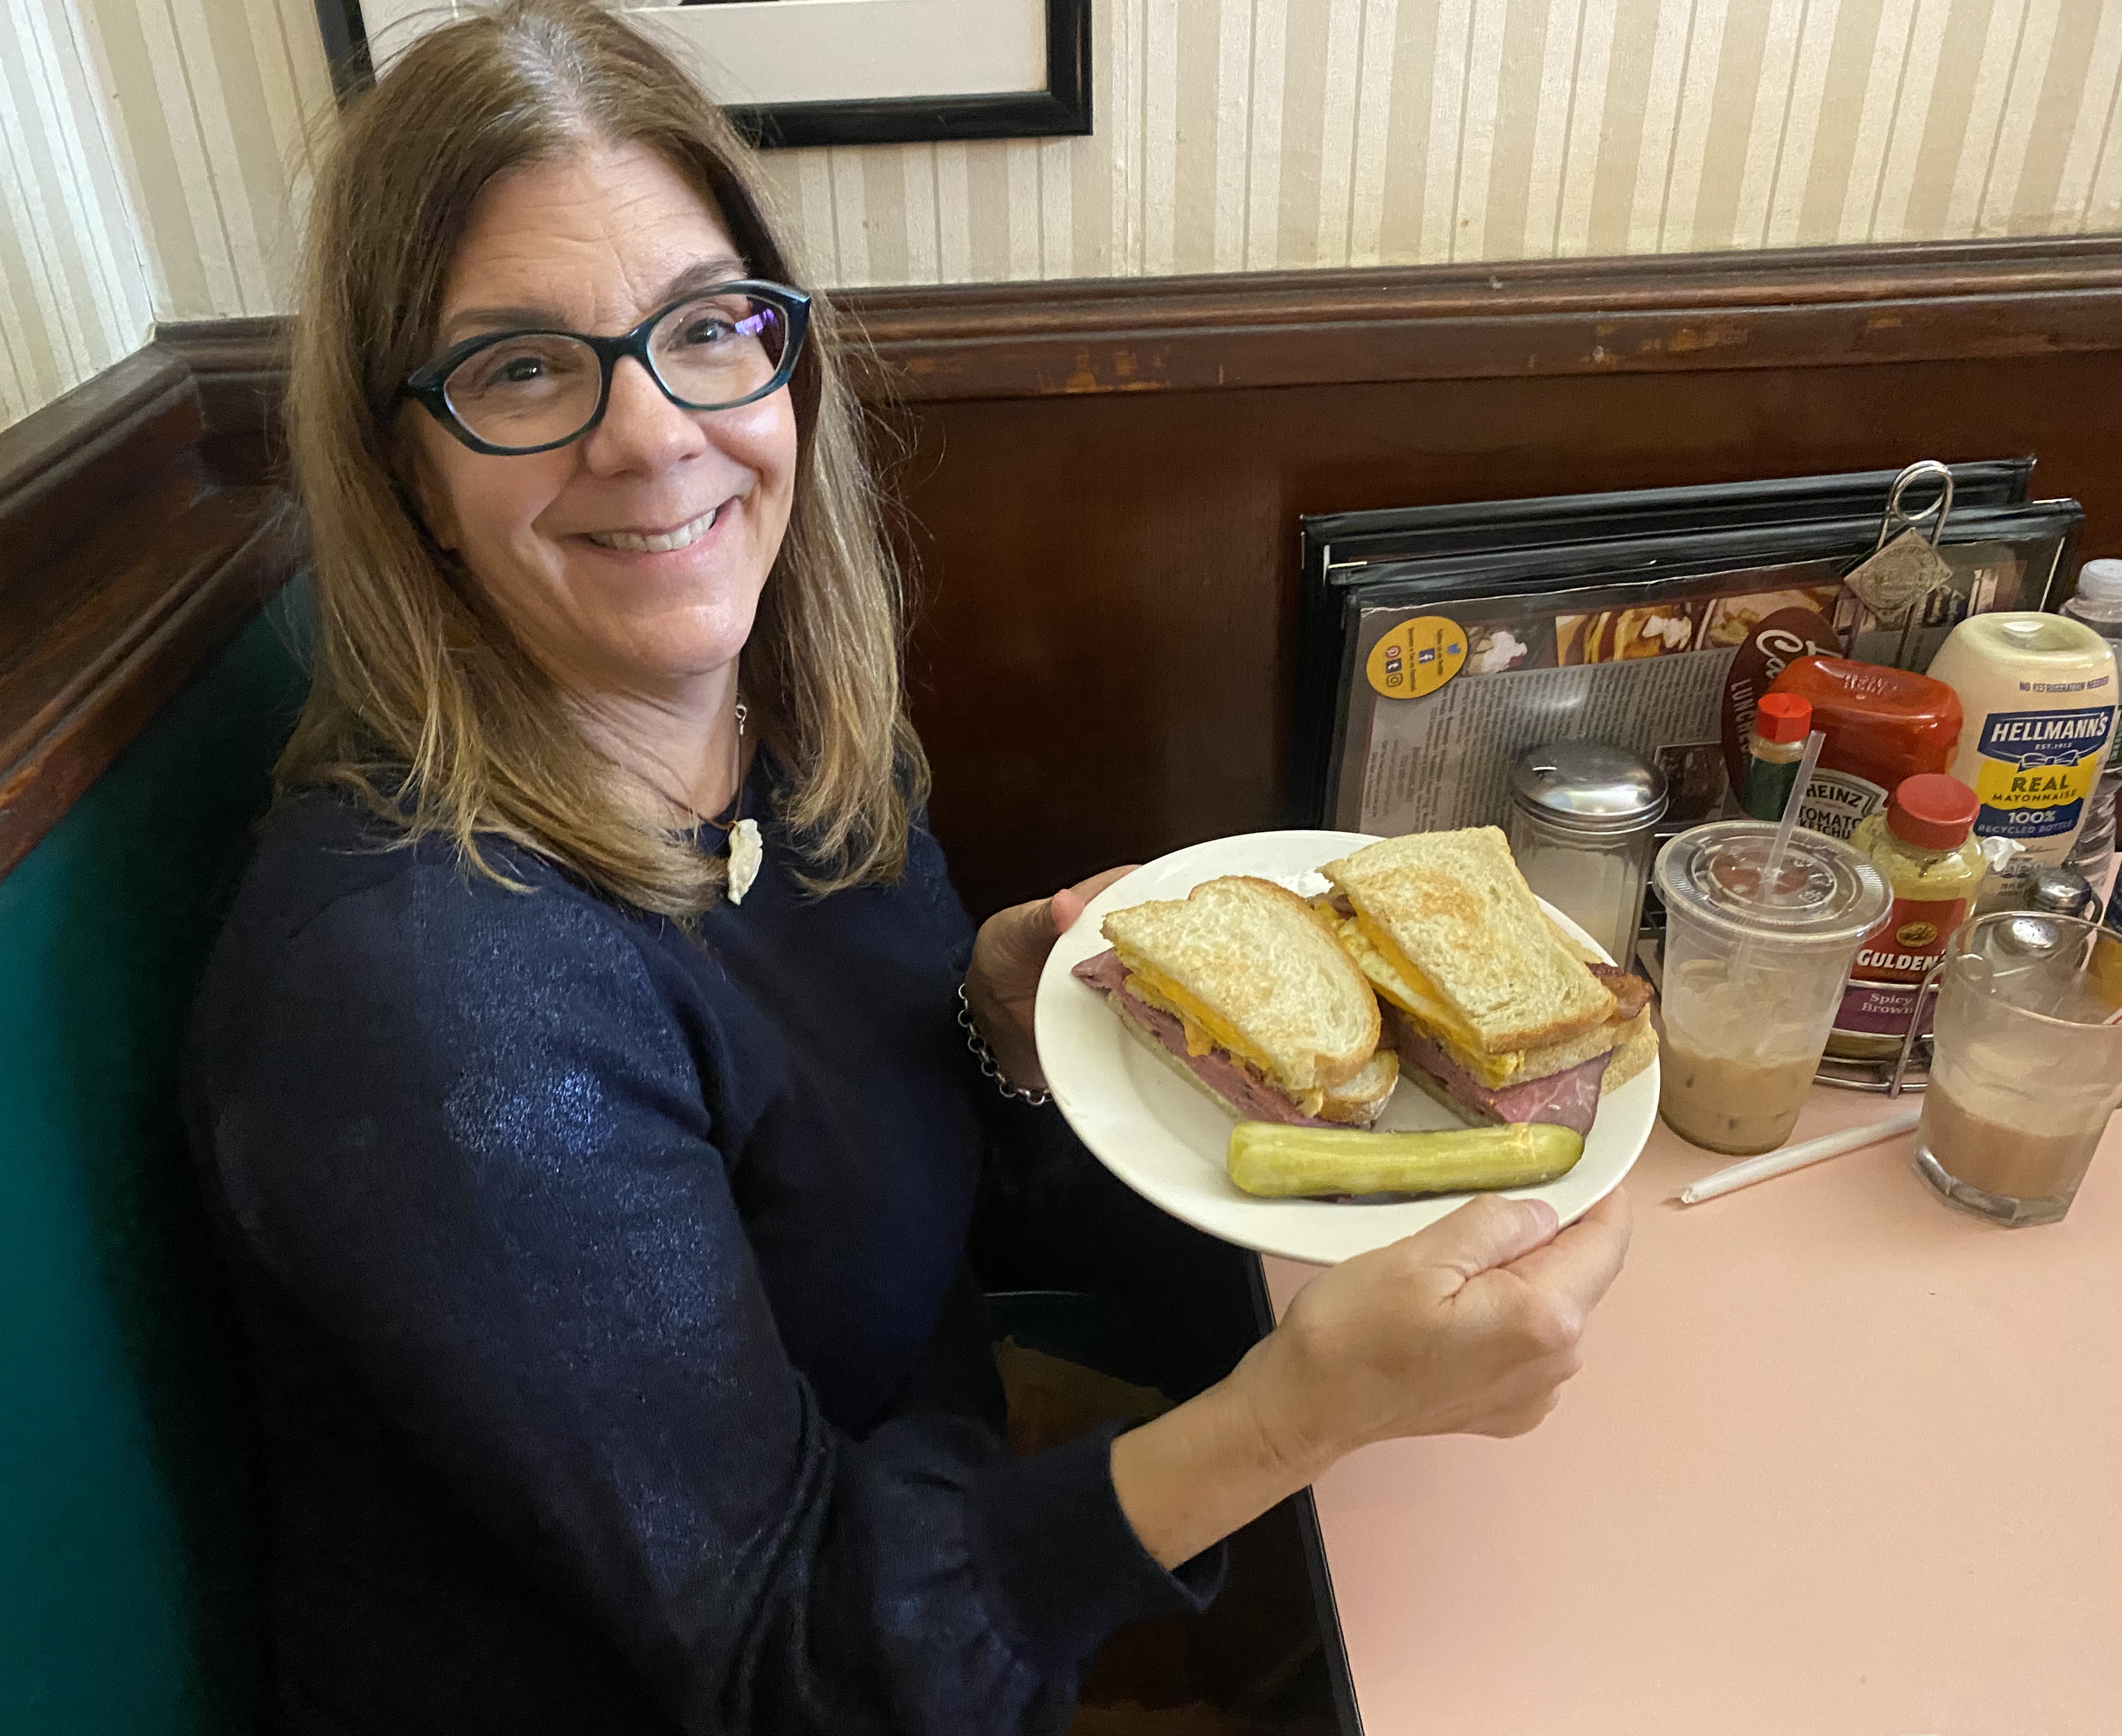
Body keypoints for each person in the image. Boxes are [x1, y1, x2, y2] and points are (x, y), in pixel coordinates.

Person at [181, 4, 1634, 1731]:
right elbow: (781, 1657)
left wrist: (997, 1036)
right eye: (519, 369)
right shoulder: (429, 990)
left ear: (783, 361)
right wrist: (1291, 1421)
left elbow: (856, 1202)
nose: (650, 434)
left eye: (706, 327)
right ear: (408, 472)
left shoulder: (788, 752)